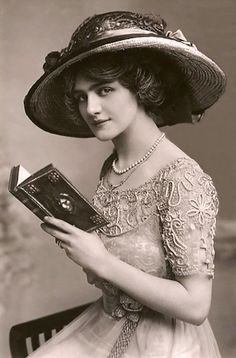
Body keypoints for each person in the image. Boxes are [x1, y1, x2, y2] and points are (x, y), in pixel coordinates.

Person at [24, 11, 226, 358]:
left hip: (166, 345)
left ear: (141, 88)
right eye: (81, 97)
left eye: (105, 90)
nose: (92, 108)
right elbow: (118, 271)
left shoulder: (182, 178)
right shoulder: (114, 167)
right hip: (109, 322)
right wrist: (84, 250)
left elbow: (196, 307)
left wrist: (102, 261)